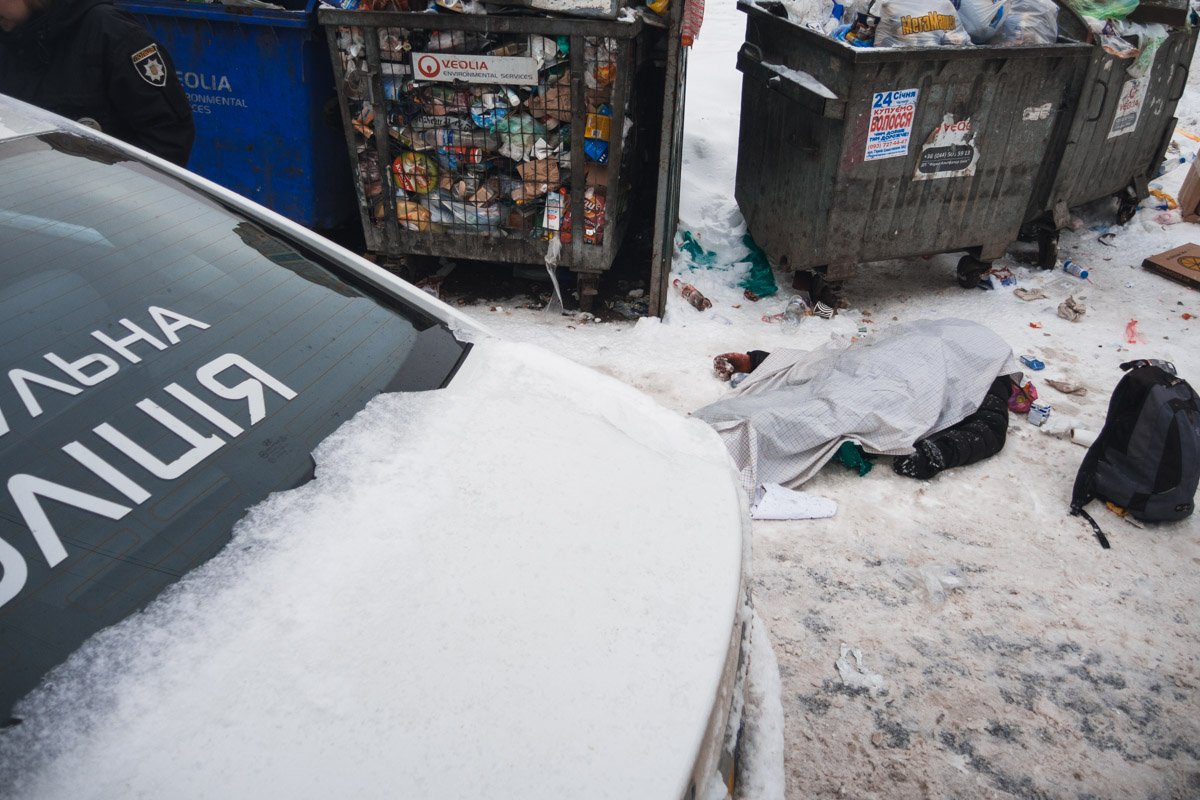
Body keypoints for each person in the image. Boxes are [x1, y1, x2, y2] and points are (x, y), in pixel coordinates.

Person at [0, 0, 194, 166]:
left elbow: (167, 141)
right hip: (29, 194)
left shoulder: (111, 34)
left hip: (106, 199)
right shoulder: (10, 36)